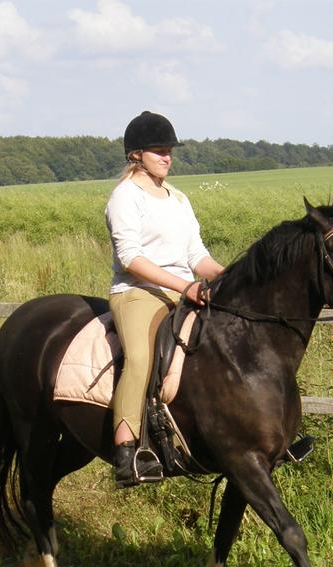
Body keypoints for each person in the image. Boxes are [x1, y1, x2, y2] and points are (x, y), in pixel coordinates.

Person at [106, 110, 224, 485]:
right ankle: (127, 455)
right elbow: (131, 258)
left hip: (182, 292)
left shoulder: (178, 199)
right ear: (136, 154)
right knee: (140, 358)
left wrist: (231, 278)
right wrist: (183, 286)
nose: (167, 156)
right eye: (158, 150)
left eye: (169, 149)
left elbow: (197, 257)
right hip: (138, 294)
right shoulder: (125, 197)